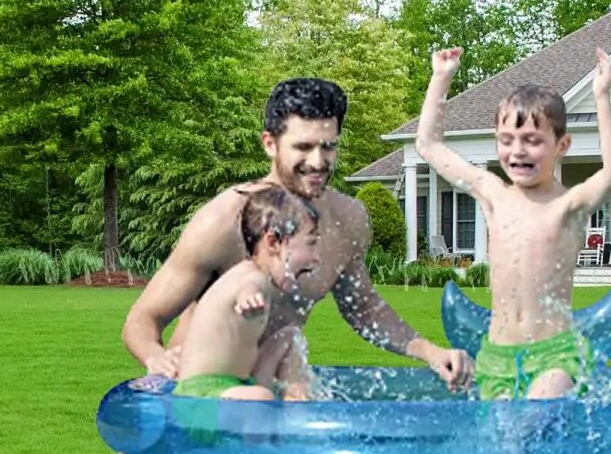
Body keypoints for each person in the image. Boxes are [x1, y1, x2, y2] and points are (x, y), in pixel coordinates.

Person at [122, 77, 472, 391]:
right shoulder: (223, 222)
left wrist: (430, 352)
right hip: (201, 392)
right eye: (303, 147)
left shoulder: (347, 220)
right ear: (269, 143)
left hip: (269, 388)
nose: (318, 161)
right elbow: (143, 319)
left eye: (328, 146)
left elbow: (363, 309)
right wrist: (156, 358)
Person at [415, 46, 611, 400]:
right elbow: (428, 146)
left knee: (530, 419)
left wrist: (602, 97)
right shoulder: (493, 195)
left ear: (562, 145)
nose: (518, 151)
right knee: (507, 437)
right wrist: (440, 79)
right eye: (507, 140)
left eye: (532, 140)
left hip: (554, 355)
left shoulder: (569, 205)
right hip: (496, 356)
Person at [172, 186, 321, 402]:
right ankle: (291, 414)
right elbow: (247, 287)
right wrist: (248, 297)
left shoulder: (258, 275)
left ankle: (296, 400)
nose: (316, 258)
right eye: (310, 243)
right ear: (273, 242)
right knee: (261, 396)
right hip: (200, 395)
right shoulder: (251, 277)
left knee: (288, 337)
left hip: (237, 385)